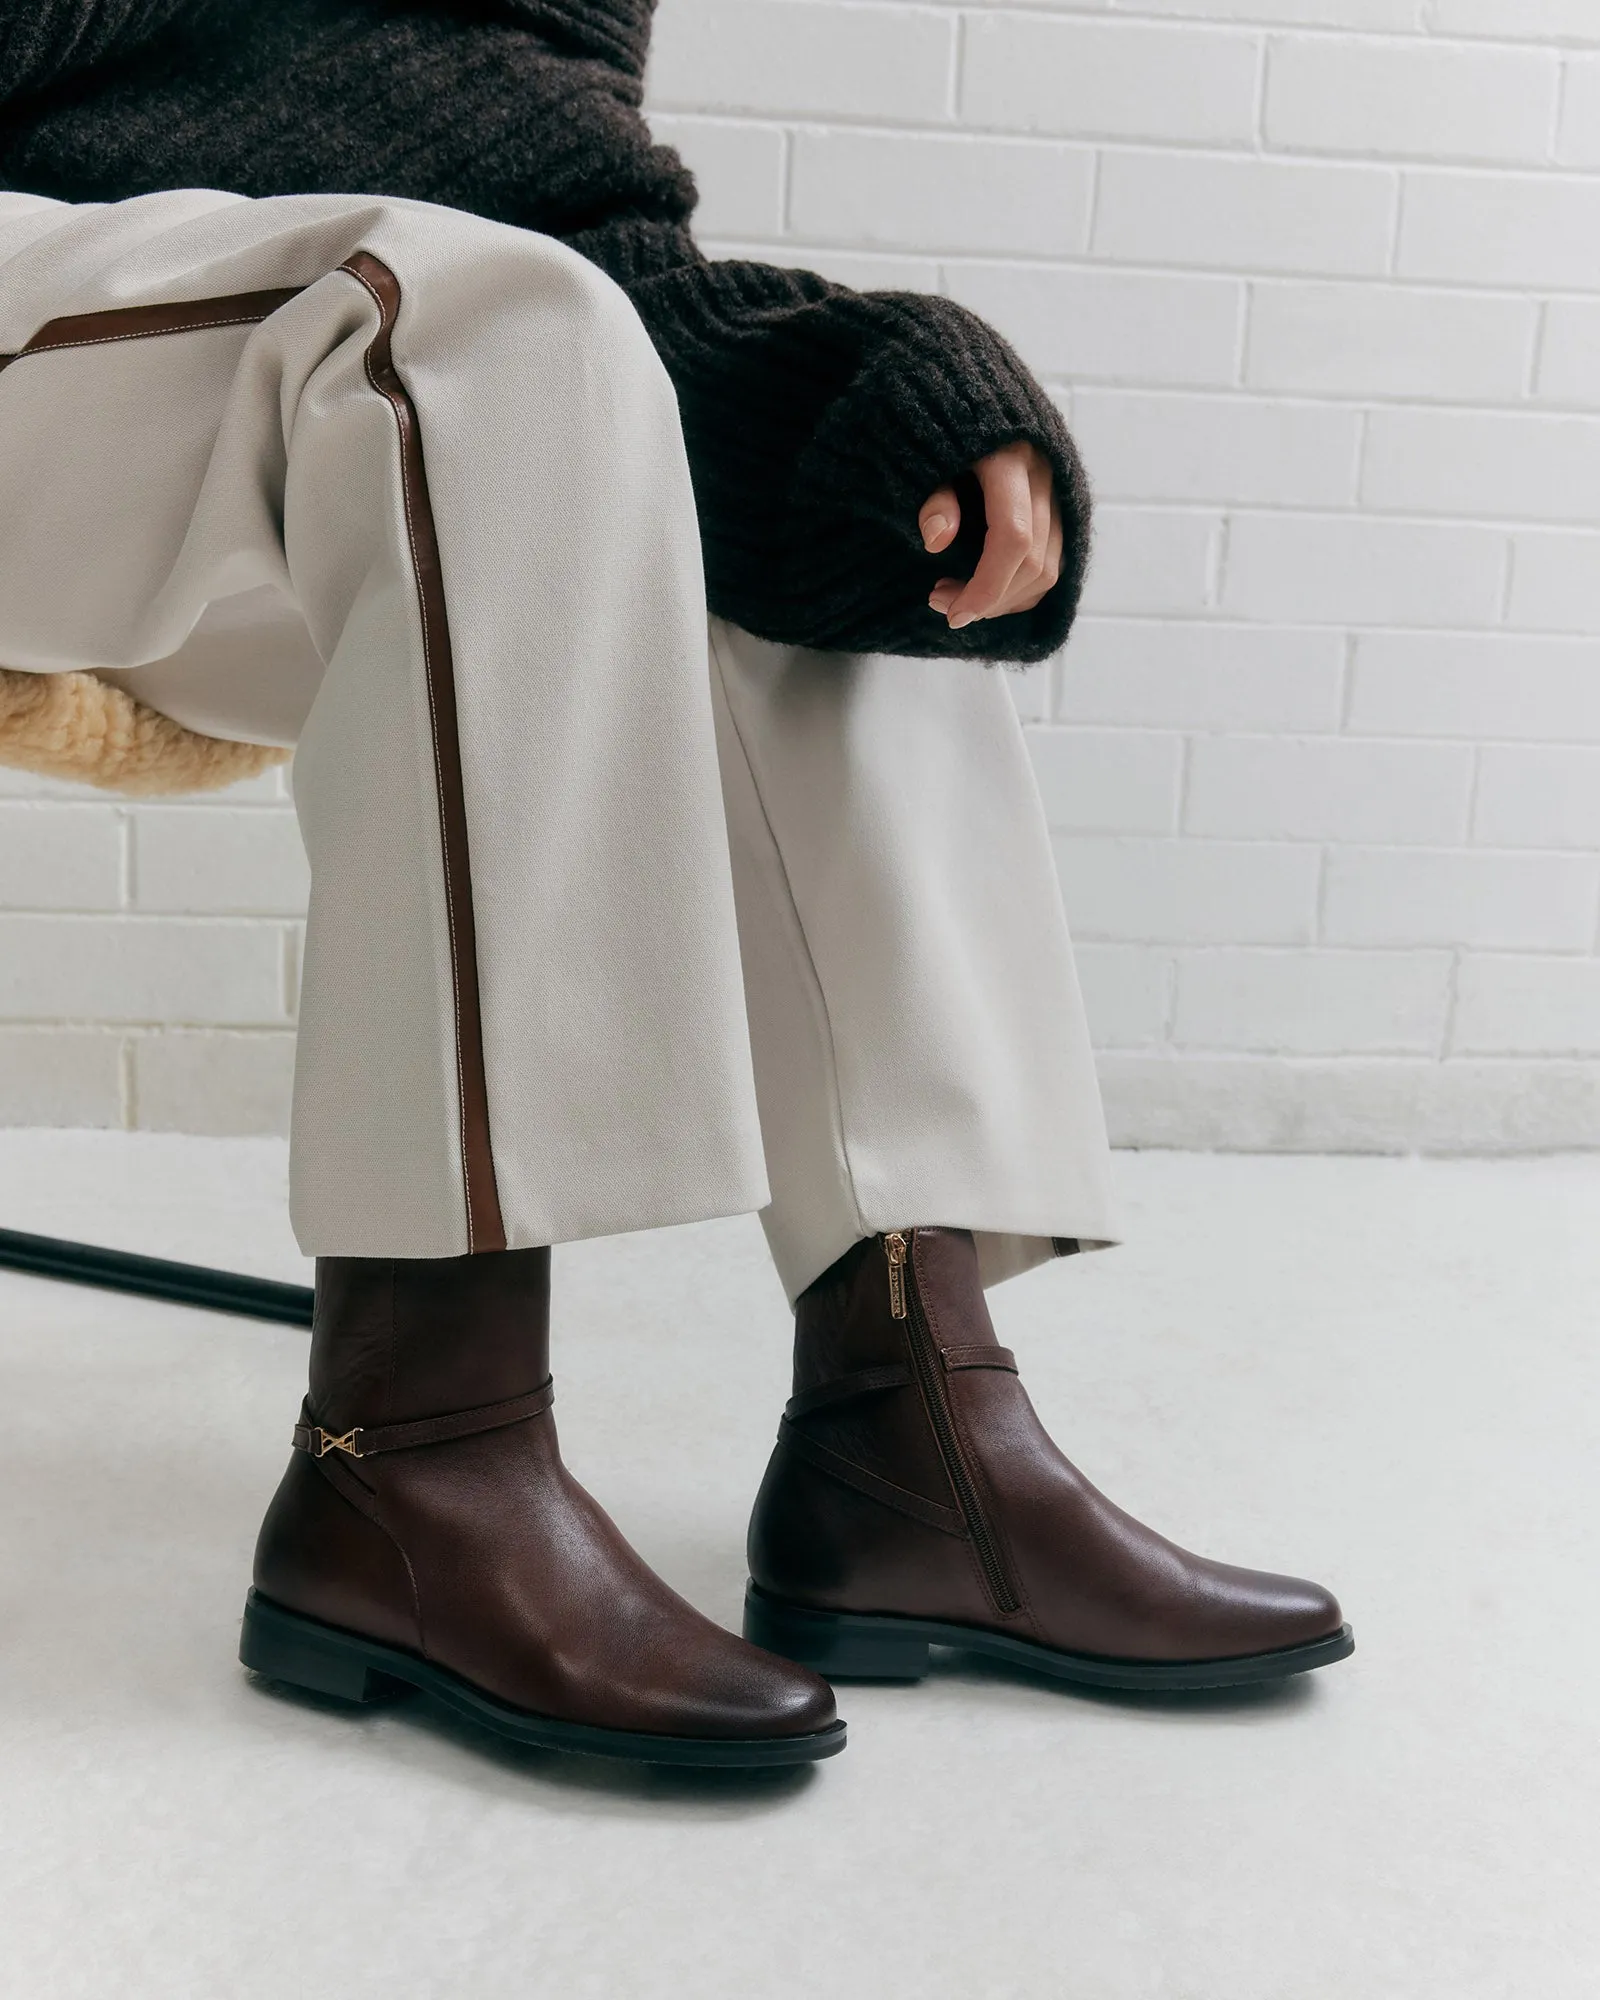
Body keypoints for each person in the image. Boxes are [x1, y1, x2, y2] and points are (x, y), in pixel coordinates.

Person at [0, 1, 1351, 1770]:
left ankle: (910, 1432)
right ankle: (415, 1449)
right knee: (468, 324)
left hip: (269, 369)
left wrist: (859, 389)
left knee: (814, 504)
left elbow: (559, 194)